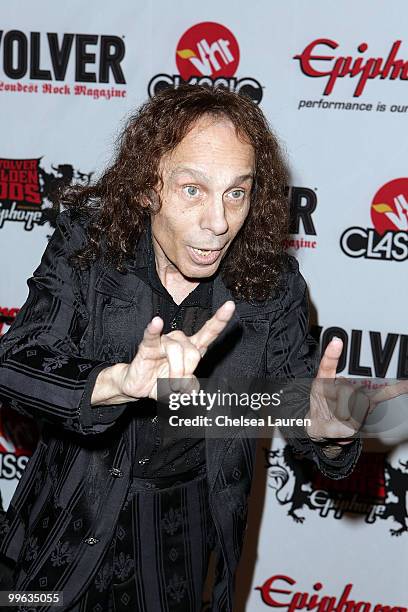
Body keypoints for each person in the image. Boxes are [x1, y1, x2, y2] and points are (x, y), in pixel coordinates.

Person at [0, 85, 364, 612]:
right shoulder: (91, 245)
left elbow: (307, 409)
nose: (219, 222)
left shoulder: (272, 286)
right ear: (149, 185)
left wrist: (331, 432)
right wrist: (115, 383)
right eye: (193, 190)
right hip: (60, 523)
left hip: (177, 546)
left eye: (236, 193)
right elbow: (16, 358)